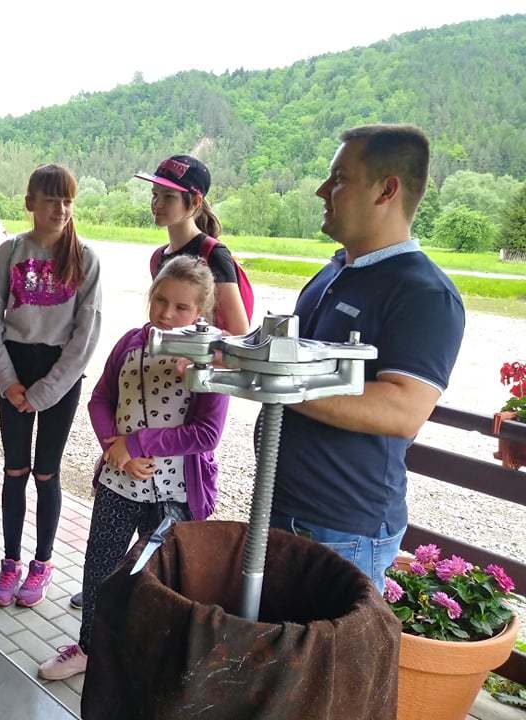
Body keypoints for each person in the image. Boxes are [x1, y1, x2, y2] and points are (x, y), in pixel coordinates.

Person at [270, 124, 465, 592]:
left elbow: (403, 409)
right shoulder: (333, 272)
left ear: (386, 190)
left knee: (326, 644)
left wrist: (273, 382)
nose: (322, 190)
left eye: (339, 178)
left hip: (342, 530)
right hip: (283, 507)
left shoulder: (424, 293)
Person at [38, 256, 229, 680]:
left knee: (159, 579)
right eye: (160, 300)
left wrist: (138, 442)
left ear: (200, 311)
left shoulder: (210, 357)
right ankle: (90, 646)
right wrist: (115, 447)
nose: (166, 313)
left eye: (181, 307)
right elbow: (101, 399)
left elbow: (207, 433)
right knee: (100, 566)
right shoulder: (130, 342)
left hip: (175, 495)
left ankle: (149, 659)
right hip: (118, 482)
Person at [0, 164, 102, 608]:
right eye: (51, 200)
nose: (60, 209)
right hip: (13, 367)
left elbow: (85, 335)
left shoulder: (85, 258)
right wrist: (9, 384)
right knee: (15, 470)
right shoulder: (10, 252)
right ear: (30, 203)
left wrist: (45, 393)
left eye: (67, 200)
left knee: (46, 473)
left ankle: (42, 563)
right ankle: (10, 561)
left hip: (59, 376)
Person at [136, 154, 250, 335]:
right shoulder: (158, 257)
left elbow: (239, 332)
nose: (157, 203)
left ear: (196, 202)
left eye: (169, 196)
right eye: (155, 194)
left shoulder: (214, 254)